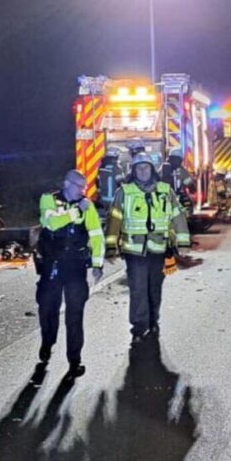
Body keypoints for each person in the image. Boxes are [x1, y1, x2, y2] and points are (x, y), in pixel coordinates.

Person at [106, 152, 190, 342]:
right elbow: (115, 219)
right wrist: (111, 246)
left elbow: (177, 216)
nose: (143, 171)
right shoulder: (125, 192)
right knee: (137, 289)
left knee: (154, 288)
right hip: (134, 250)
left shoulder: (165, 190)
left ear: (152, 169)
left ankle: (153, 320)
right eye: (139, 168)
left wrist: (183, 242)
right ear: (133, 171)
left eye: (146, 167)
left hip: (159, 249)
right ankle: (139, 326)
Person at [34, 170, 104, 380]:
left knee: (75, 314)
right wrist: (74, 211)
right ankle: (47, 343)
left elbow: (96, 234)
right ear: (66, 183)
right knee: (48, 309)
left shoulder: (87, 205)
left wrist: (97, 264)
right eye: (77, 186)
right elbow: (51, 223)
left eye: (84, 187)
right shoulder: (49, 199)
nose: (81, 190)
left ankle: (75, 360)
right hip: (52, 265)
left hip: (75, 266)